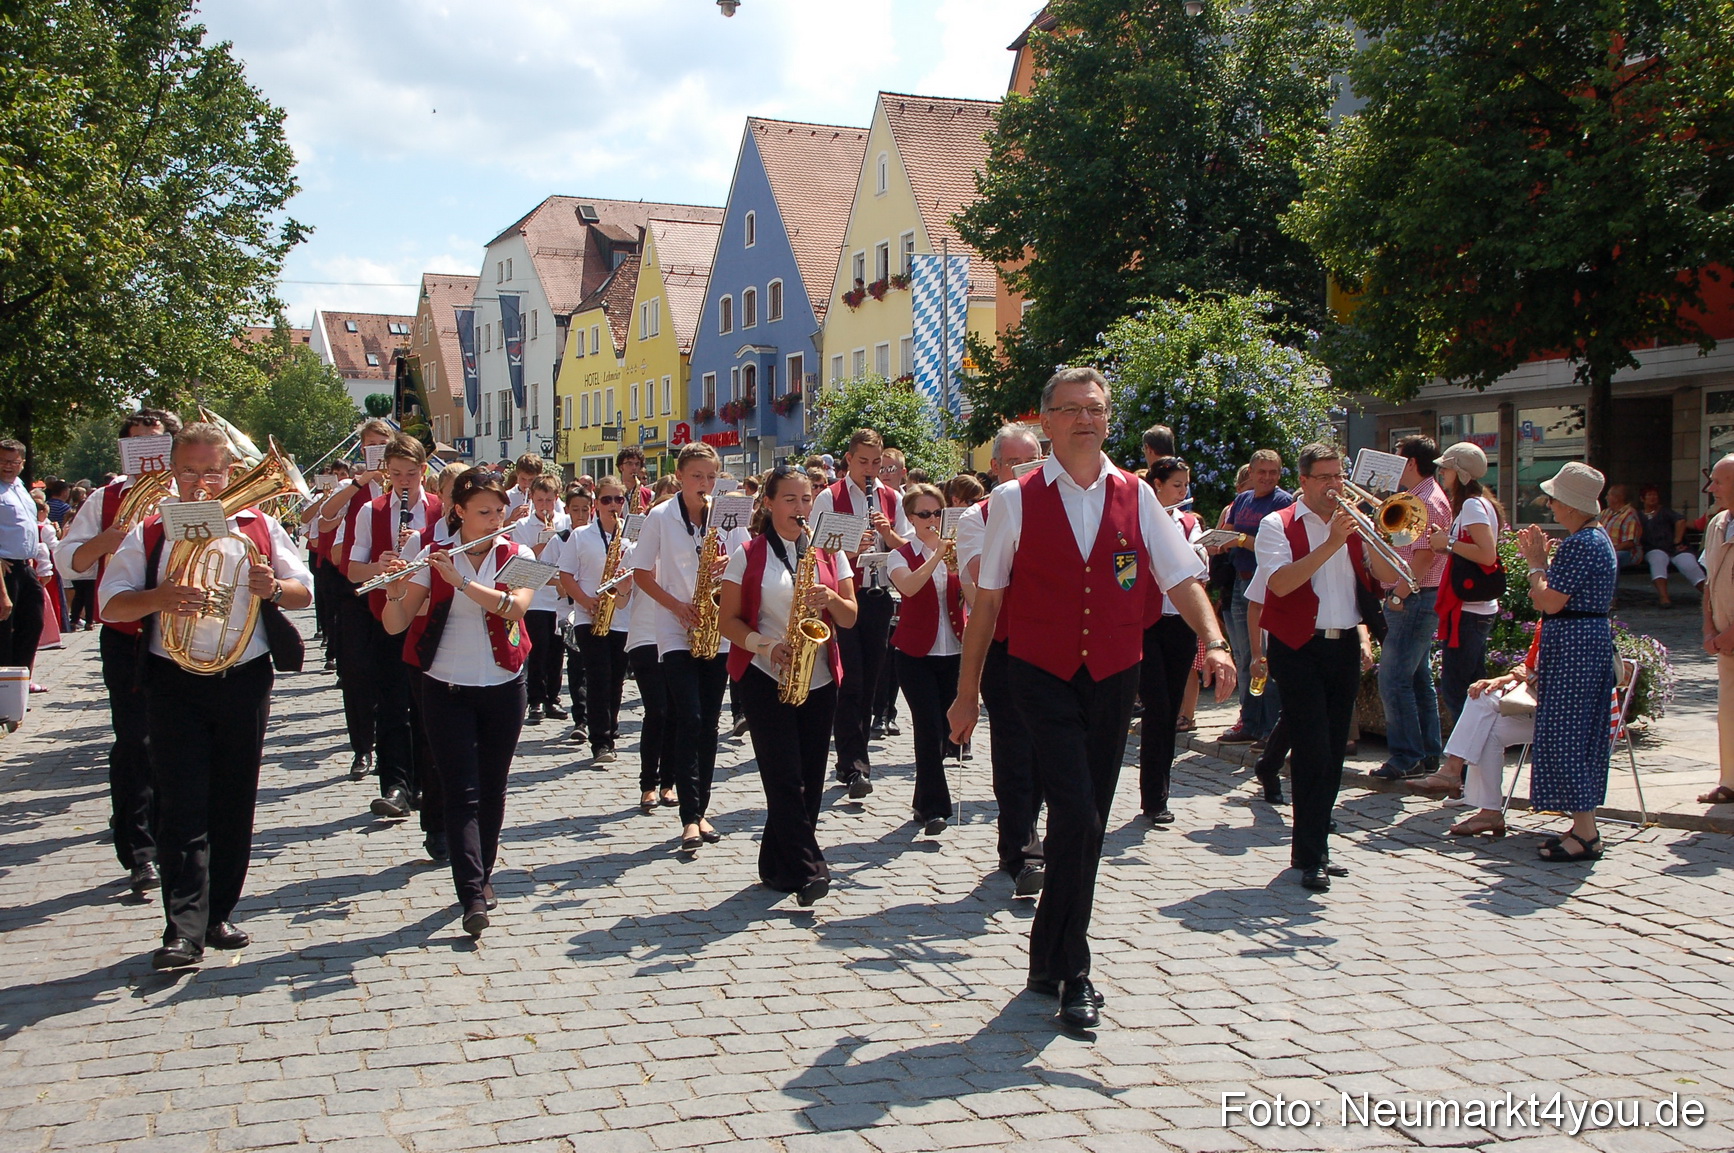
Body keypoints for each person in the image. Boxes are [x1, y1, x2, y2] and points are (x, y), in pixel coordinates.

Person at [947, 368, 1234, 1032]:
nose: (1084, 418)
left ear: (1109, 419)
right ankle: (1075, 969)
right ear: (1046, 420)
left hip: (1113, 675)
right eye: (1070, 409)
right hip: (1039, 674)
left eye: (1095, 408)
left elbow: (1181, 575)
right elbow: (987, 602)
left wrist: (1213, 640)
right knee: (1077, 811)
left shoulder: (1137, 495)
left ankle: (1045, 956)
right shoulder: (1015, 501)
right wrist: (966, 697)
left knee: (1089, 819)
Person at [99, 423, 313, 969]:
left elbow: (303, 589)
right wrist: (158, 597)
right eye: (190, 471)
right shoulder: (150, 529)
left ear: (230, 473)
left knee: (234, 799)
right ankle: (183, 927)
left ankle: (218, 912)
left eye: (212, 471)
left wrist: (274, 589)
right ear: (173, 471)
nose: (201, 482)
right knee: (181, 802)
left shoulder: (256, 523)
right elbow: (110, 606)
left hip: (243, 676)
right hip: (172, 678)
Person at [380, 469, 533, 935]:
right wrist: (394, 591)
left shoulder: (521, 553)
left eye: (499, 511)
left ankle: (483, 875)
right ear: (459, 512)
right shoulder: (432, 556)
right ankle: (472, 893)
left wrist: (463, 582)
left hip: (504, 685)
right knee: (460, 791)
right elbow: (394, 624)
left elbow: (515, 607)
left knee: (493, 786)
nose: (494, 520)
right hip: (445, 686)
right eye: (483, 512)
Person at [1250, 443, 1399, 893]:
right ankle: (1312, 852)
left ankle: (1312, 847)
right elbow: (1279, 583)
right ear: (1304, 481)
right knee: (1312, 747)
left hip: (1343, 645)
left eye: (1339, 476)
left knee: (1334, 750)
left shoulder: (1356, 523)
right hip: (1297, 647)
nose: (1336, 486)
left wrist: (1384, 542)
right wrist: (1333, 541)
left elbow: (1388, 581)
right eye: (1325, 478)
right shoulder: (1278, 524)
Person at [54, 409, 181, 893]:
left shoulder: (189, 495)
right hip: (127, 634)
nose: (149, 452)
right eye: (138, 444)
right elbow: (70, 562)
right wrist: (104, 541)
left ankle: (180, 840)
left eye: (157, 442)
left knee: (177, 744)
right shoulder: (108, 498)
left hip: (181, 634)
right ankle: (139, 851)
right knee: (134, 742)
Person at [719, 466, 857, 904]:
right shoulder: (748, 553)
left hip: (819, 676)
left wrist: (832, 598)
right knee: (783, 777)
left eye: (806, 500)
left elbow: (851, 616)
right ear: (768, 504)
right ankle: (810, 868)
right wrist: (765, 646)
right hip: (765, 675)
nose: (801, 509)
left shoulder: (829, 553)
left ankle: (776, 865)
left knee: (811, 778)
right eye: (790, 500)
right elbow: (728, 621)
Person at [632, 442, 749, 850]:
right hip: (674, 625)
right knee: (690, 716)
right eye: (697, 476)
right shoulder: (661, 516)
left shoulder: (729, 513)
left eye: (711, 476)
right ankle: (688, 816)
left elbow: (748, 560)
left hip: (717, 626)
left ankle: (701, 810)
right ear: (679, 476)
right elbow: (641, 573)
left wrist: (728, 565)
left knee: (711, 722)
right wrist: (677, 607)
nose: (705, 484)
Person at [954, 423, 1047, 897]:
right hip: (1004, 644)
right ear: (994, 468)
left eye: (1032, 462)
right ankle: (1022, 850)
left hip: (1053, 643)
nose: (1023, 472)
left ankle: (1024, 835)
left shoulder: (1061, 506)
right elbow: (977, 581)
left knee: (1048, 751)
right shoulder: (977, 517)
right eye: (1013, 463)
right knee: (1013, 747)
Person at [341, 434, 444, 826]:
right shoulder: (373, 509)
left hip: (428, 617)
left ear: (422, 471)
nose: (404, 481)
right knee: (391, 703)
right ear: (386, 471)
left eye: (411, 473)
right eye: (396, 473)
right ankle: (395, 785)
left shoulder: (439, 508)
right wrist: (381, 566)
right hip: (387, 614)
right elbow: (353, 569)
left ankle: (422, 780)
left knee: (425, 703)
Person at [1519, 461, 1618, 861]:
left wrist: (1536, 563)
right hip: (1580, 644)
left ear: (1573, 507)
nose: (1550, 506)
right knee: (1573, 735)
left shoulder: (1583, 543)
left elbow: (1548, 600)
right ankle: (1581, 825)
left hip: (1577, 648)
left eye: (1556, 500)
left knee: (1568, 736)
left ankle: (1587, 834)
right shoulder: (1593, 539)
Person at [811, 429, 910, 796]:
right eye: (864, 461)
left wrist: (887, 536)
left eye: (877, 463)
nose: (871, 470)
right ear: (849, 460)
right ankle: (854, 764)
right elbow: (818, 551)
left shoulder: (891, 497)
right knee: (850, 679)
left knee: (871, 680)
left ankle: (852, 757)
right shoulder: (828, 497)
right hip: (843, 595)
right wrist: (852, 549)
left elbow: (906, 547)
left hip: (879, 593)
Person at [1369, 435, 1452, 782]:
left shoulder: (1426, 501)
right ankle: (1428, 752)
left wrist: (1399, 594)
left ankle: (1406, 757)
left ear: (1412, 463)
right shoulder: (1421, 495)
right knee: (1417, 680)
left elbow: (1424, 554)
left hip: (1415, 596)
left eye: (1398, 458)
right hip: (1418, 595)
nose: (1395, 465)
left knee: (1393, 679)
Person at [315, 419, 395, 779]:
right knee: (356, 670)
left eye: (383, 443)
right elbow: (325, 517)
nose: (376, 449)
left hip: (394, 589)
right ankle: (362, 747)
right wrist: (360, 481)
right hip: (354, 591)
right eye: (371, 445)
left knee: (391, 672)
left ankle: (391, 744)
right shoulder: (353, 488)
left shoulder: (405, 483)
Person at [1408, 633, 1542, 837]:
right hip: (1538, 709)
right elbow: (1526, 670)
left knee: (1485, 723)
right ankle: (1486, 808)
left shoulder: (1577, 628)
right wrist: (1501, 679)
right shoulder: (1548, 621)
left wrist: (1530, 678)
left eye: (1535, 596)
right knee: (1482, 699)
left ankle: (1454, 774)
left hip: (1566, 720)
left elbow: (1566, 694)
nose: (1531, 597)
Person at [887, 483, 964, 834]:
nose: (932, 520)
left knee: (947, 731)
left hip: (954, 650)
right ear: (910, 518)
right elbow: (910, 587)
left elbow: (972, 594)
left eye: (937, 513)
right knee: (928, 726)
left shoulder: (958, 550)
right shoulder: (900, 554)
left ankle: (922, 801)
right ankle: (935, 808)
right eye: (924, 514)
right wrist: (937, 555)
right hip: (915, 653)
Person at [1138, 457, 1207, 824]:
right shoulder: (1142, 519)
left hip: (1180, 623)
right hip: (1146, 623)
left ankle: (1158, 796)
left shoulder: (1190, 523)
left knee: (1169, 712)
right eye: (1177, 485)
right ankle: (1153, 796)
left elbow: (1200, 572)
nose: (1183, 492)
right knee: (1157, 707)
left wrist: (1198, 553)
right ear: (1158, 486)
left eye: (1185, 485)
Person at [1426, 441, 1506, 734]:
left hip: (1469, 612)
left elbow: (1487, 554)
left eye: (1445, 469)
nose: (1442, 474)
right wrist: (1448, 543)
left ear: (1459, 474)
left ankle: (1465, 763)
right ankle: (1471, 762)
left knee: (1458, 690)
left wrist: (1447, 543)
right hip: (1474, 608)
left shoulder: (1472, 505)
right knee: (1469, 686)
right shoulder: (1480, 503)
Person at [1220, 450, 1293, 745]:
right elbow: (1229, 531)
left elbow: (1274, 545)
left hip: (1266, 586)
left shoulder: (1283, 502)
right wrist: (1219, 539)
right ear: (1250, 471)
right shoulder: (1243, 500)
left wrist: (1239, 539)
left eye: (1273, 472)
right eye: (1261, 471)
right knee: (1243, 656)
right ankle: (1249, 720)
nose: (1267, 477)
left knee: (1265, 656)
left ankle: (1269, 727)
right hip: (1240, 581)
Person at [561, 475, 633, 766]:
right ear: (596, 504)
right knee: (599, 677)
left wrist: (626, 585)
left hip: (622, 617)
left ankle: (610, 733)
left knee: (616, 680)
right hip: (589, 616)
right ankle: (600, 740)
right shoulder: (581, 536)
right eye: (607, 500)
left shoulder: (629, 539)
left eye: (619, 499)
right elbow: (566, 574)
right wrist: (585, 600)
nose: (613, 505)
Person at [625, 481, 681, 813]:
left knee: (675, 712)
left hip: (674, 635)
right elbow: (619, 603)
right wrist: (621, 584)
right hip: (645, 636)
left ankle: (668, 783)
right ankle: (648, 783)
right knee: (657, 710)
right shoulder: (634, 551)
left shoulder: (687, 547)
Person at [510, 475, 571, 726]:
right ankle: (535, 698)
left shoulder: (565, 521)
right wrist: (541, 543)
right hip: (535, 596)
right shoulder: (523, 526)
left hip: (558, 595)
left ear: (556, 499)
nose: (544, 506)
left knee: (557, 649)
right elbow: (521, 561)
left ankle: (553, 697)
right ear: (532, 500)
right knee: (538, 648)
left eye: (549, 500)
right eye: (539, 501)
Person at [1699, 455, 1734, 807]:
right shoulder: (1718, 524)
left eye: (1719, 482)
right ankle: (1730, 781)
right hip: (1724, 639)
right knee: (1728, 711)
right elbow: (1709, 578)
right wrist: (1709, 626)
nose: (1711, 489)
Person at [0, 439, 46, 688]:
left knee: (33, 622)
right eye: (3, 461)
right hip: (4, 567)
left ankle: (18, 682)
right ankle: (4, 690)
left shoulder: (18, 486)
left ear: (22, 463)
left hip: (25, 566)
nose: (8, 466)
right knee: (3, 630)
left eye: (13, 462)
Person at [555, 486, 594, 745]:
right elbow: (551, 575)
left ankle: (599, 718)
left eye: (585, 509)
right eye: (575, 509)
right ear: (567, 510)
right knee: (577, 666)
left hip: (600, 610)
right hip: (570, 610)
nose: (580, 514)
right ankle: (581, 719)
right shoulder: (559, 539)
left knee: (598, 670)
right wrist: (570, 587)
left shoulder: (600, 537)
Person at [1637, 484, 1707, 608]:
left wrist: (1677, 540)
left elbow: (1680, 521)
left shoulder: (1665, 511)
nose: (1653, 497)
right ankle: (1664, 598)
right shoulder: (1638, 516)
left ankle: (1710, 596)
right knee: (1657, 560)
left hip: (1676, 549)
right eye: (1649, 495)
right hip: (1654, 548)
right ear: (1642, 499)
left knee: (1689, 565)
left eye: (1655, 495)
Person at [1601, 486, 1644, 571]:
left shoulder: (1630, 514)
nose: (1606, 498)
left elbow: (1629, 543)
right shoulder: (1606, 512)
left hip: (1626, 552)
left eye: (1608, 495)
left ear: (1617, 498)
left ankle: (1611, 584)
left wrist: (1609, 550)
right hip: (1605, 550)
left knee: (1610, 558)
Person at [616, 446, 656, 514]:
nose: (634, 467)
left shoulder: (650, 495)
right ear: (621, 467)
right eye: (629, 464)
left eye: (637, 464)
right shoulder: (612, 493)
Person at [504, 453, 544, 520]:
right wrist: (511, 519)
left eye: (531, 479)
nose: (527, 484)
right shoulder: (506, 497)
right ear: (517, 475)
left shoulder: (548, 497)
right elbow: (497, 528)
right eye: (523, 479)